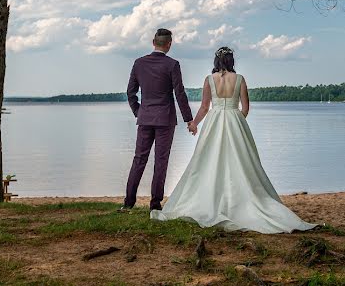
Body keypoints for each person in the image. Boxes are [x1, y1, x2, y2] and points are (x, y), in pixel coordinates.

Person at [151, 46, 316, 233]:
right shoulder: (240, 79)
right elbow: (245, 107)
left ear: (216, 61)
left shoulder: (209, 80)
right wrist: (237, 123)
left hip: (214, 122)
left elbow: (205, 107)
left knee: (208, 161)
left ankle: (212, 198)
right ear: (231, 61)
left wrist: (194, 124)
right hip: (235, 120)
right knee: (242, 162)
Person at [122, 28, 194, 211]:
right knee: (161, 161)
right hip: (165, 120)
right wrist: (188, 119)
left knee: (139, 159)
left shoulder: (139, 63)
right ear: (169, 44)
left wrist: (139, 111)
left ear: (153, 42)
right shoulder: (172, 65)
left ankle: (128, 203)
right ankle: (155, 205)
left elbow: (130, 92)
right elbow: (180, 94)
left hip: (145, 118)